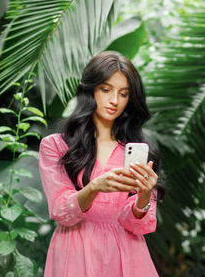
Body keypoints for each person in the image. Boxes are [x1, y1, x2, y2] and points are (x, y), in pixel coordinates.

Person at [38, 51, 164, 276]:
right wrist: (95, 186)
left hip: (126, 254)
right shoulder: (56, 146)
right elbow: (60, 210)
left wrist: (144, 196)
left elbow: (137, 226)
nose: (115, 100)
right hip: (75, 252)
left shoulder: (137, 152)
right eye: (106, 90)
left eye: (124, 94)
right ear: (90, 90)